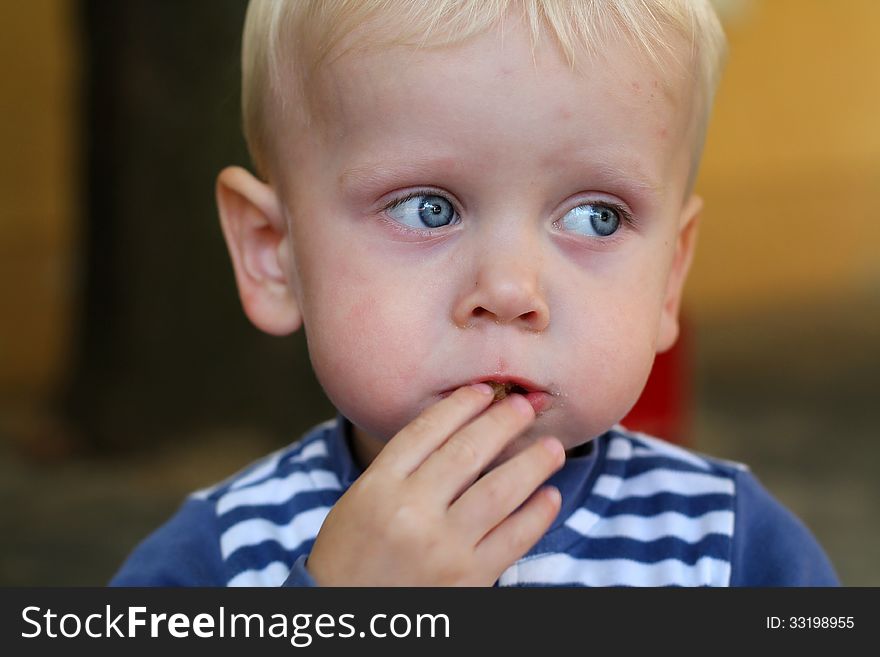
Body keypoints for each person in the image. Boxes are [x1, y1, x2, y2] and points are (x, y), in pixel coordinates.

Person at [110, 0, 838, 587]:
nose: (511, 290)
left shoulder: (737, 552)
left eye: (596, 216)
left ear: (670, 276)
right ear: (275, 253)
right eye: (428, 208)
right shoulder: (215, 562)